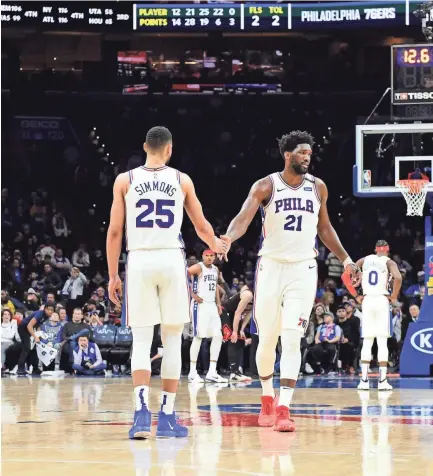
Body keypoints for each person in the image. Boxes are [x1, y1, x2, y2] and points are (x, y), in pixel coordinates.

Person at [221, 130, 360, 432]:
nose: (307, 156)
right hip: (270, 267)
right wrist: (228, 239)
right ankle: (267, 399)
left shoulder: (317, 187)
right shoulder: (266, 185)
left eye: (309, 152)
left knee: (293, 337)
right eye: (301, 152)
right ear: (287, 155)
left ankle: (284, 407)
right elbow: (243, 218)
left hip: (303, 269)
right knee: (267, 338)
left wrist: (347, 260)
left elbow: (325, 229)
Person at [106, 126, 228, 440]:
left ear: (145, 146)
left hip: (140, 260)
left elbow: (115, 232)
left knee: (142, 341)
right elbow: (201, 226)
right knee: (173, 340)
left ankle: (141, 416)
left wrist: (112, 275)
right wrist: (217, 243)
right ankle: (169, 416)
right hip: (172, 260)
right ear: (169, 149)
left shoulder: (125, 180)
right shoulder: (181, 179)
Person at [346, 240, 402, 391]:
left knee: (367, 341)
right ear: (388, 250)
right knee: (382, 341)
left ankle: (363, 381)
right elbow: (398, 277)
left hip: (367, 299)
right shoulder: (389, 262)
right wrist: (394, 296)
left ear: (375, 250)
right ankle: (382, 382)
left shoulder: (364, 260)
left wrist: (355, 295)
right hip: (382, 300)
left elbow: (345, 276)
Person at [188, 249, 227, 384]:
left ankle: (212, 372)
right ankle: (192, 372)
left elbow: (215, 286)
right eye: (207, 256)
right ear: (203, 257)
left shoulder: (215, 269)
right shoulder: (198, 267)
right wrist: (192, 295)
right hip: (200, 305)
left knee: (218, 336)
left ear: (215, 257)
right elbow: (182, 276)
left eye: (212, 256)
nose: (209, 258)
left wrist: (218, 303)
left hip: (211, 305)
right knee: (198, 337)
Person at [221, 280, 254, 381]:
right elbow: (238, 313)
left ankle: (236, 372)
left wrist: (242, 329)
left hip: (235, 314)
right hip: (226, 311)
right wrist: (235, 331)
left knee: (240, 340)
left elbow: (249, 313)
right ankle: (233, 372)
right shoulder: (248, 294)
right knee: (232, 338)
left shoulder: (258, 297)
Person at [16, 303, 55, 375]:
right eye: (48, 309)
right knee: (26, 347)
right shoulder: (40, 314)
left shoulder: (46, 316)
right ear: (45, 309)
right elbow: (29, 325)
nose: (50, 311)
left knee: (34, 348)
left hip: (29, 329)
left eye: (52, 310)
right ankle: (20, 368)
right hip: (23, 328)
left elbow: (38, 325)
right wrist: (35, 337)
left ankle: (35, 368)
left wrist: (38, 334)